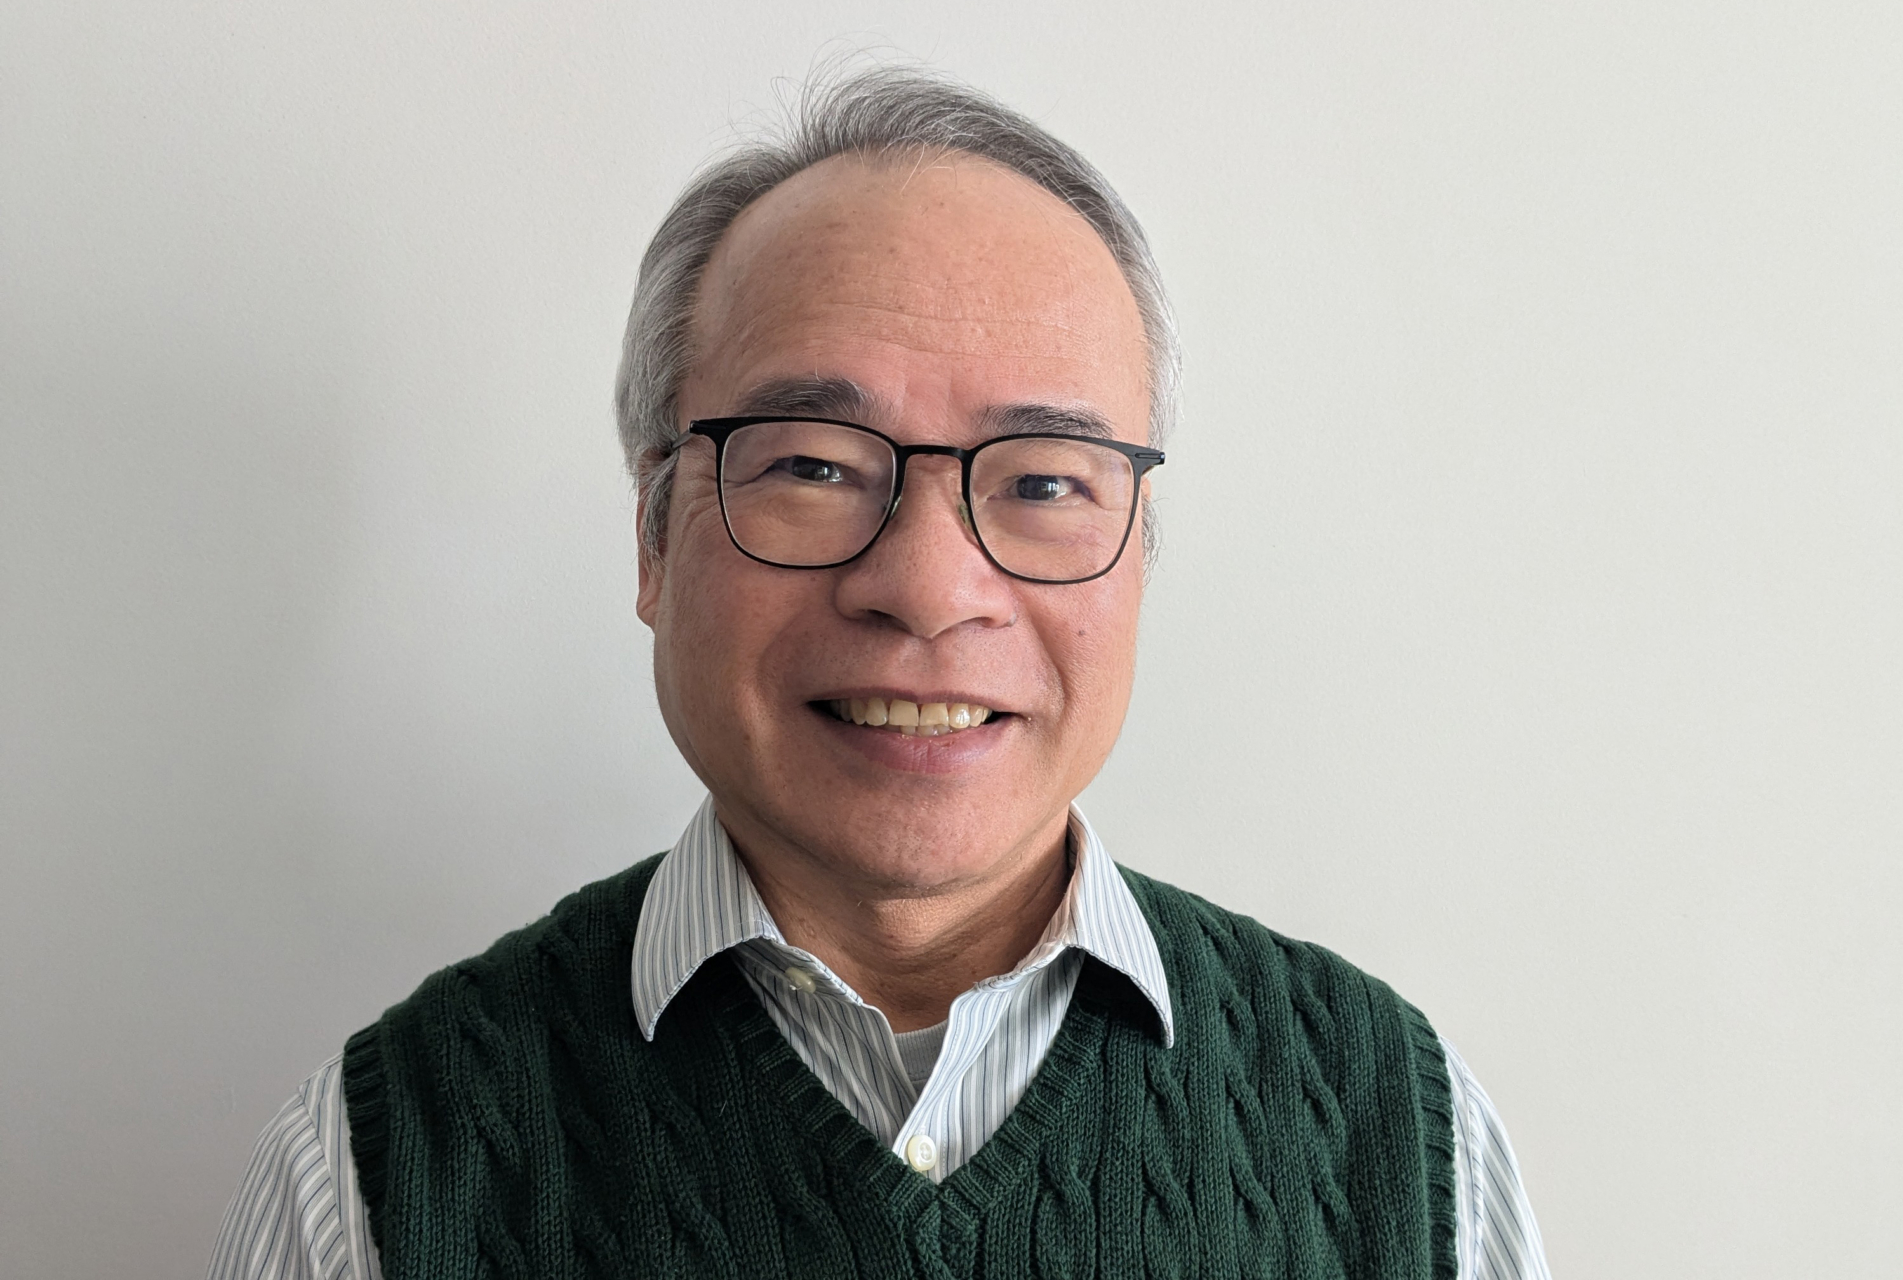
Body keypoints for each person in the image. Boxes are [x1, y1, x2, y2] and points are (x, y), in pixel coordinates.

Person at [210, 67, 1551, 1280]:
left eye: (1040, 482)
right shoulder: (384, 1171)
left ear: (1139, 552)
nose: (927, 584)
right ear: (650, 540)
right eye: (811, 465)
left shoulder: (1396, 1136)